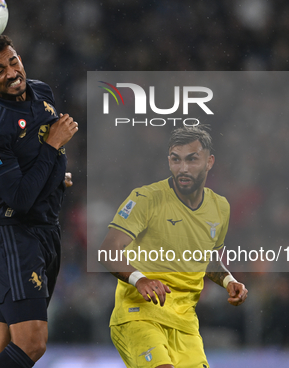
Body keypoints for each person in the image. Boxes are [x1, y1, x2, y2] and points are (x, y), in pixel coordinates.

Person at [0, 35, 78, 368]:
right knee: (32, 344)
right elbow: (19, 197)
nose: (12, 72)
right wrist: (53, 147)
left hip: (45, 230)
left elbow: (40, 161)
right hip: (13, 234)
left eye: (13, 61)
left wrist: (57, 177)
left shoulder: (42, 92)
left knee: (5, 343)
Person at [99, 125, 247, 368]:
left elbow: (205, 257)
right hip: (140, 315)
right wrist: (141, 280)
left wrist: (229, 280)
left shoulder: (220, 207)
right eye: (175, 160)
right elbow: (108, 249)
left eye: (192, 159)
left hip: (185, 324)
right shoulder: (146, 198)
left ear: (209, 162)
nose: (183, 168)